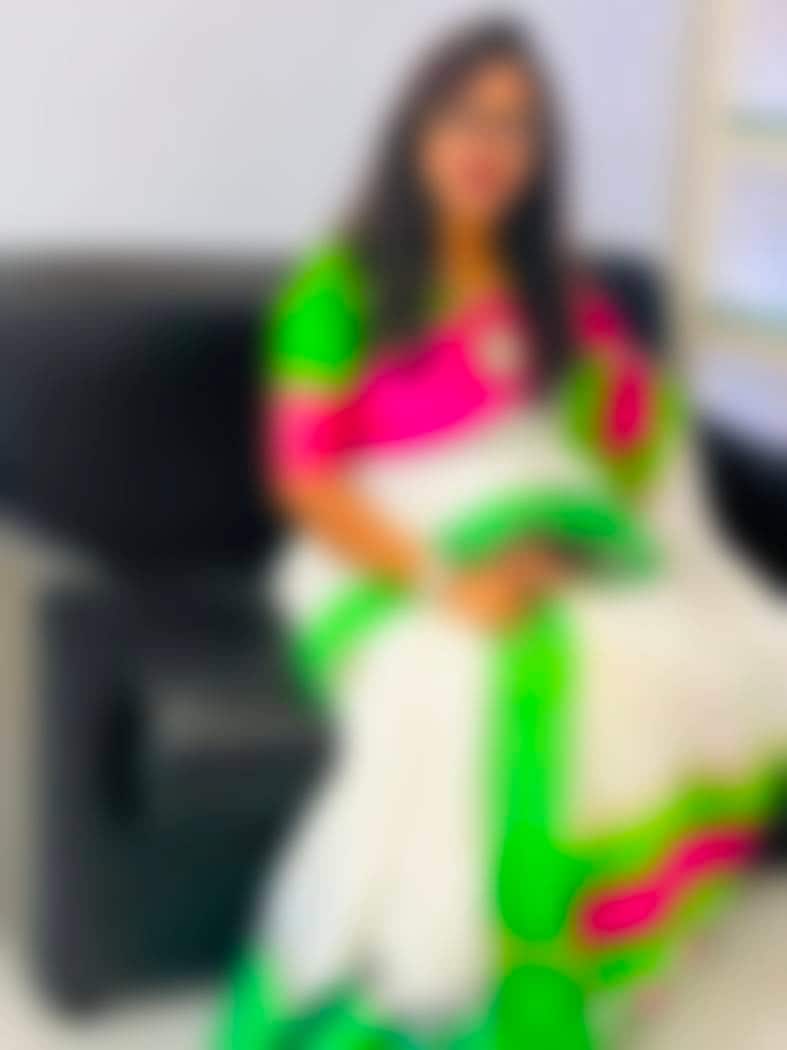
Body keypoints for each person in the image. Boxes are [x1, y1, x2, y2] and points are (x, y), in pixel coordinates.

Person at [217, 18, 786, 1049]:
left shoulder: (553, 292)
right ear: (415, 131)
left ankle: (576, 961)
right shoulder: (341, 285)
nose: (486, 145)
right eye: (463, 116)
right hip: (376, 552)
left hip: (534, 546)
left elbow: (613, 448)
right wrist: (446, 578)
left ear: (539, 154)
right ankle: (452, 988)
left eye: (515, 125)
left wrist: (564, 533)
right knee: (469, 684)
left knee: (652, 651)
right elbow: (305, 480)